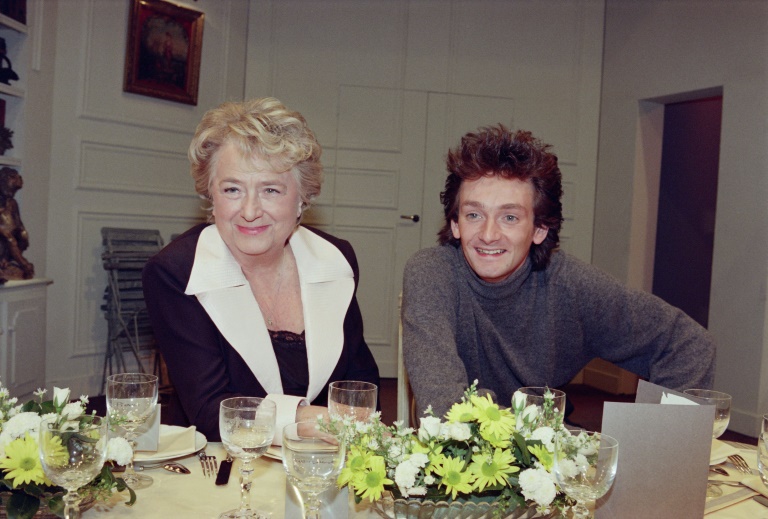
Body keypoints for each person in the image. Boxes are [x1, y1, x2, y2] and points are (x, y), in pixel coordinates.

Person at [401, 124, 715, 418]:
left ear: (539, 229)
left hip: (547, 456)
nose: (488, 234)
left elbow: (687, 344)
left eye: (509, 218)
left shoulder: (570, 285)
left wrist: (655, 440)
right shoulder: (431, 273)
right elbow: (443, 406)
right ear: (455, 224)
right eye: (473, 214)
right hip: (461, 463)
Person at [143, 97, 379, 441]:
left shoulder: (335, 259)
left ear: (302, 199)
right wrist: (308, 417)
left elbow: (359, 382)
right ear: (211, 194)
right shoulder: (175, 273)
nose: (250, 210)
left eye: (270, 190)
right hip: (221, 466)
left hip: (320, 459)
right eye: (232, 189)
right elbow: (211, 411)